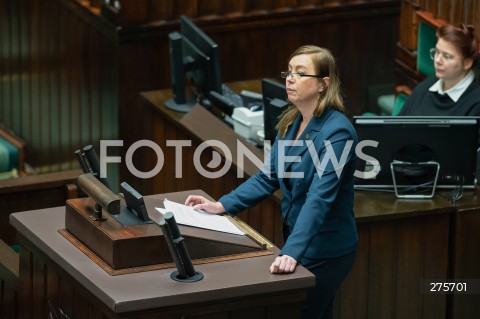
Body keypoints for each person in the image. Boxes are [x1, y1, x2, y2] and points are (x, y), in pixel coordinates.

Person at [185, 45, 358, 319]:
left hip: (326, 248)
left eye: (300, 73)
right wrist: (221, 205)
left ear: (323, 84)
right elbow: (268, 177)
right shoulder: (291, 122)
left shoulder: (338, 133)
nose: (289, 79)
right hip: (299, 242)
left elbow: (319, 198)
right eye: (288, 72)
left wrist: (291, 252)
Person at [399, 23, 480, 116]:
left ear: (467, 63)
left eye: (447, 56)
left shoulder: (476, 103)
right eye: (437, 52)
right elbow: (397, 125)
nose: (437, 60)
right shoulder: (427, 85)